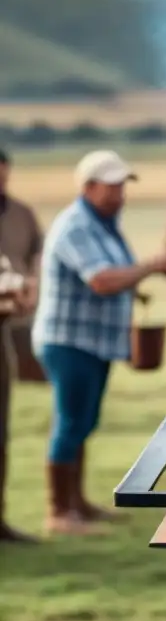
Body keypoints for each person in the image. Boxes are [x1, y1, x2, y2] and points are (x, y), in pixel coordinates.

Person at [33, 151, 166, 536]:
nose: (119, 195)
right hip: (69, 341)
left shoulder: (104, 225)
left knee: (84, 421)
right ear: (88, 187)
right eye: (112, 187)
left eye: (122, 187)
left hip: (92, 341)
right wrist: (150, 267)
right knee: (71, 422)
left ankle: (77, 504)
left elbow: (115, 277)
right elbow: (101, 280)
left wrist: (137, 293)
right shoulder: (77, 226)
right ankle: (59, 512)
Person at [0, 149, 43, 542]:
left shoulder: (20, 214)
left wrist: (29, 289)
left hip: (4, 326)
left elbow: (35, 256)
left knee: (0, 429)